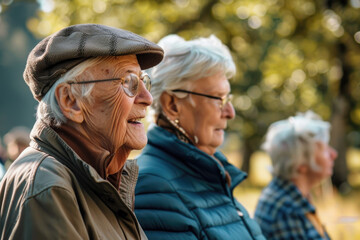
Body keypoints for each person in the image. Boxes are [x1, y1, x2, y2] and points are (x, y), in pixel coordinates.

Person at [0, 23, 164, 239]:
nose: (147, 98)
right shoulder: (49, 188)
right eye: (130, 81)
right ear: (70, 101)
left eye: (144, 81)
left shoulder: (96, 176)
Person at [134, 34, 265, 240]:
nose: (230, 112)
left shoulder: (212, 173)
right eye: (218, 99)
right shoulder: (154, 185)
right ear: (173, 105)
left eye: (228, 99)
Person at [254, 111, 338, 240]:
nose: (333, 154)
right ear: (300, 163)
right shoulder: (287, 210)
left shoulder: (290, 196)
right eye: (324, 149)